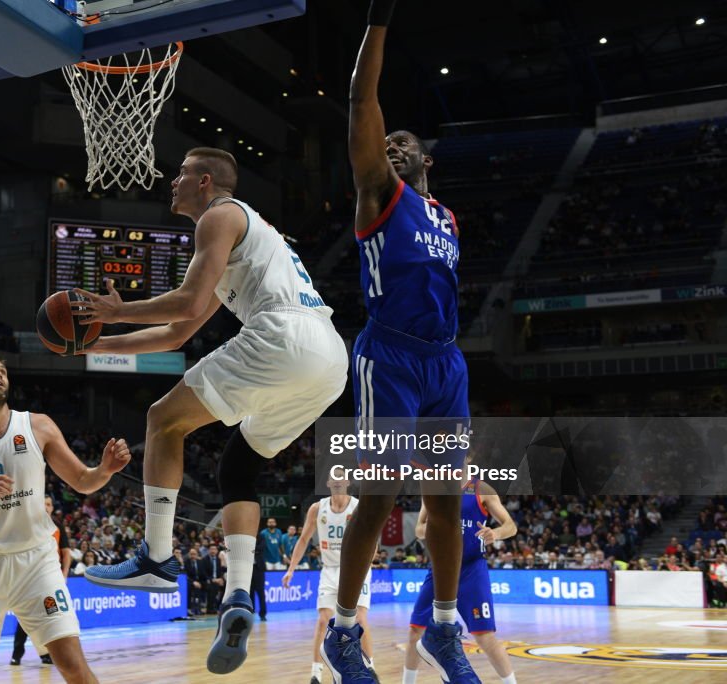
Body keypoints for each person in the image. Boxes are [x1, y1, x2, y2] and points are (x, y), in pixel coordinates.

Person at [78, 146, 348, 675]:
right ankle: (239, 595)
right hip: (328, 359)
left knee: (162, 419)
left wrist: (116, 310)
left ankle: (156, 558)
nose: (171, 181)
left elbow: (186, 303)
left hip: (282, 336)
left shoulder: (221, 215)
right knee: (237, 466)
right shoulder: (242, 230)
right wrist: (101, 343)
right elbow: (180, 331)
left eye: (180, 174)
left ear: (205, 182)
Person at [322, 2, 479, 682]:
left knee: (448, 503)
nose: (391, 147)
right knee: (379, 494)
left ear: (427, 158)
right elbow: (362, 98)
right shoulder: (375, 193)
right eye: (385, 143)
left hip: (445, 362)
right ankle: (345, 631)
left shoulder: (443, 213)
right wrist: (377, 22)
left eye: (402, 143)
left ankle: (445, 631)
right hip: (390, 356)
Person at [0, 354, 131, 684]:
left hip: (36, 562)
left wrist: (105, 470)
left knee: (72, 664)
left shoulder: (38, 425)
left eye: (3, 371)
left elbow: (82, 480)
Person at [404, 478, 518, 683]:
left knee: (485, 635)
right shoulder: (433, 488)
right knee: (416, 630)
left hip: (471, 568)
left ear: (468, 457)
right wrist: (437, 528)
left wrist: (496, 533)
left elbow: (511, 526)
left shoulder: (481, 489)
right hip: (440, 566)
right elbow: (419, 529)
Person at [284, 478, 376, 684]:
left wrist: (366, 564)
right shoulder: (317, 508)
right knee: (323, 620)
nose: (337, 482)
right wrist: (291, 569)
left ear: (348, 482)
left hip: (356, 568)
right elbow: (303, 539)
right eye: (333, 478)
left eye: (340, 478)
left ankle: (370, 668)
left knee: (360, 619)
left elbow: (372, 537)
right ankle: (316, 674)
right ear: (327, 483)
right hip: (330, 570)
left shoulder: (358, 506)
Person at [10, 494, 73, 666]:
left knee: (51, 616)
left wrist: (64, 575)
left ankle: (46, 654)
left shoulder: (58, 526)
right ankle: (17, 654)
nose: (45, 507)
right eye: (42, 503)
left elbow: (66, 553)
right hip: (29, 577)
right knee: (25, 617)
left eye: (48, 504)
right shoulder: (29, 524)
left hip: (50, 578)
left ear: (52, 508)